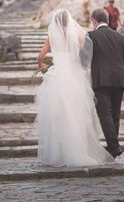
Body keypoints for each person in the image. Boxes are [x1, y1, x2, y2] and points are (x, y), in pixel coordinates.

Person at [35, 9, 114, 166]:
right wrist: (82, 65)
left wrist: (41, 65)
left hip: (58, 77)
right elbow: (86, 53)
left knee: (57, 116)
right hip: (75, 77)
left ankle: (60, 153)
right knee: (77, 114)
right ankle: (79, 149)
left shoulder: (51, 37)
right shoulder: (76, 35)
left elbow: (40, 56)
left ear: (56, 22)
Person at [88, 8, 124, 159]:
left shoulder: (91, 36)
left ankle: (114, 147)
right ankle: (113, 146)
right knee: (115, 114)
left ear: (94, 21)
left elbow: (85, 58)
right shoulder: (120, 37)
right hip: (120, 80)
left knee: (104, 113)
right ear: (107, 20)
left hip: (101, 80)